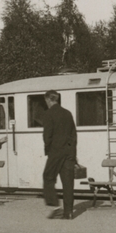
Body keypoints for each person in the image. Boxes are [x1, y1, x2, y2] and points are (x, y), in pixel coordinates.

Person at [40, 90, 77, 219]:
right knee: (68, 182)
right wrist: (72, 153)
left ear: (48, 100)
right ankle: (69, 213)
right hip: (68, 152)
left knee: (48, 177)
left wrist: (48, 150)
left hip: (55, 152)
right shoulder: (67, 113)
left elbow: (47, 136)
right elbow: (73, 135)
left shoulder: (48, 114)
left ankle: (55, 206)